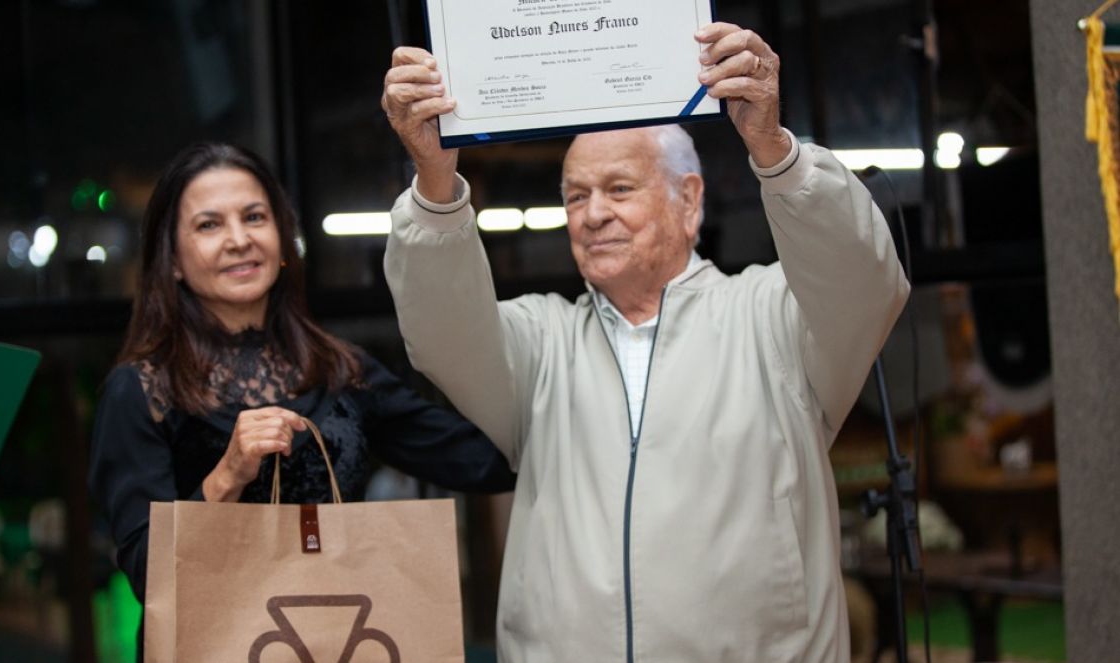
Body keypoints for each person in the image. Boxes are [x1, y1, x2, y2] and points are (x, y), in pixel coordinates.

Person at [381, 21, 909, 662]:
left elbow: (862, 282)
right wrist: (435, 185)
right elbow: (441, 330)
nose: (593, 213)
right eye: (575, 196)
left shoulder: (772, 319)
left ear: (688, 201)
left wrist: (775, 151)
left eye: (619, 189)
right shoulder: (544, 344)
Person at [88, 143, 517, 619]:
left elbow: (481, 460)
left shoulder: (340, 368)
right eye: (209, 225)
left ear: (282, 238)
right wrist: (227, 476)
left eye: (254, 217)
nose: (238, 239)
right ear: (171, 260)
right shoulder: (143, 390)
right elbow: (149, 576)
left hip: (343, 638)